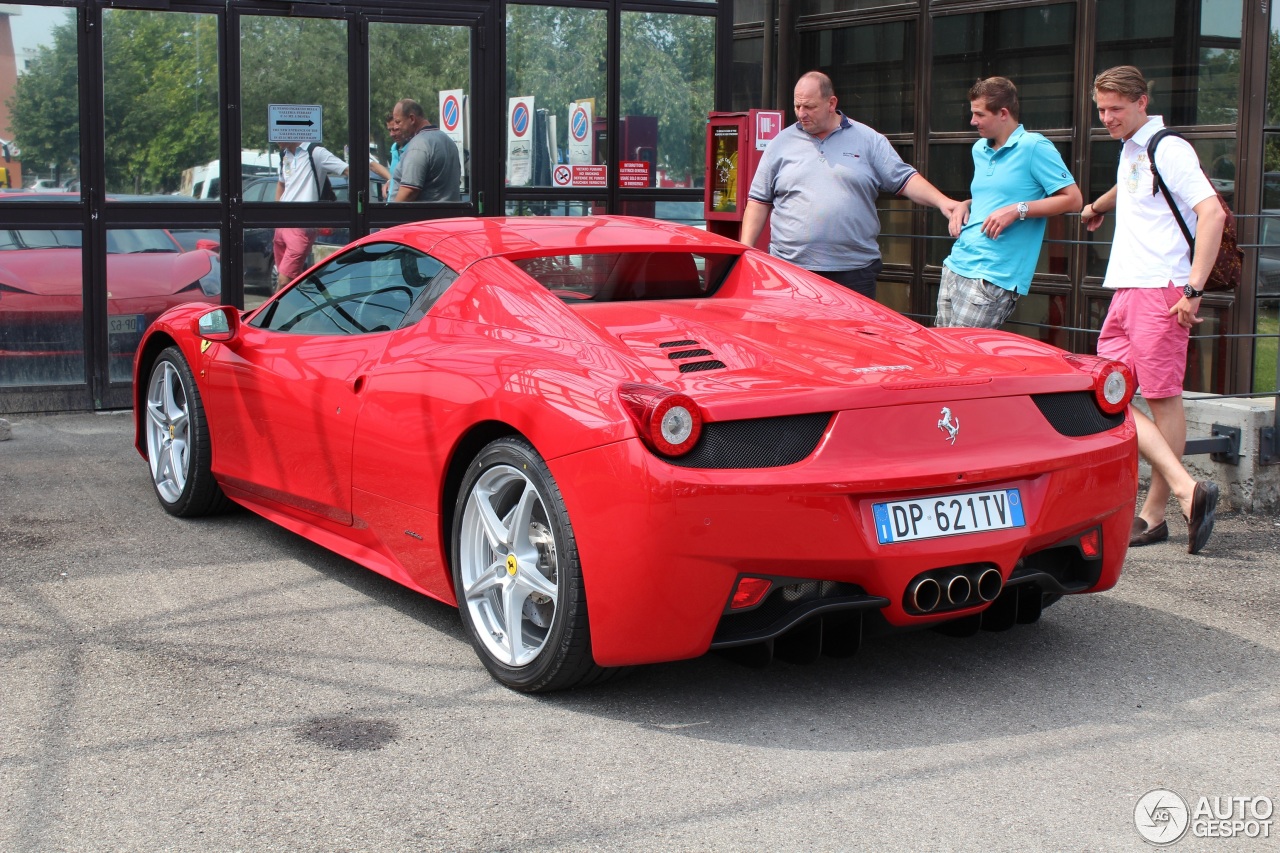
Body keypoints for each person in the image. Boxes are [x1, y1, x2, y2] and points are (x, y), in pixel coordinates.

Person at [1080, 65, 1225, 555]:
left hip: (1161, 291)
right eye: (1101, 109)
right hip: (1128, 288)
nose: (1106, 118)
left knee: (1163, 399)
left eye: (1115, 109)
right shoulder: (1134, 149)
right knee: (1109, 393)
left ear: (1142, 102)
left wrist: (1193, 289)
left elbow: (1213, 212)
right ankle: (1188, 492)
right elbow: (1136, 185)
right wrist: (1098, 204)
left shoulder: (1170, 147)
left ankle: (1159, 510)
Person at [740, 70, 958, 299]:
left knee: (851, 335)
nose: (802, 114)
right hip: (791, 269)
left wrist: (943, 202)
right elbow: (758, 201)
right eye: (797, 107)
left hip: (854, 272)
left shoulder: (868, 139)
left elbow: (904, 179)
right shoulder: (780, 144)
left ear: (831, 102)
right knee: (793, 335)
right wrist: (744, 251)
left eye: (810, 107)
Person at [937, 77, 1082, 328]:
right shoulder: (979, 149)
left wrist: (1019, 210)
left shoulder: (1034, 146)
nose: (972, 121)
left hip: (992, 275)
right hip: (956, 264)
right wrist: (965, 204)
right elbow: (996, 195)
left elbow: (1073, 200)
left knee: (966, 362)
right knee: (942, 358)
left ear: (1003, 113)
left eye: (979, 114)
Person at [273, 140, 348, 291]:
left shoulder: (315, 152)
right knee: (290, 284)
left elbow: (347, 170)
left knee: (284, 282)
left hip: (302, 225)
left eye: (278, 131)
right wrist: (277, 213)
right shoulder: (285, 154)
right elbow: (282, 184)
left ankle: (274, 314)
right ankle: (298, 313)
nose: (274, 138)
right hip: (282, 225)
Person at [389, 98, 461, 202]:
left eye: (398, 122)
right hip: (448, 215)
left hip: (423, 217)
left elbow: (409, 191)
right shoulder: (448, 141)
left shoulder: (418, 145)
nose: (395, 127)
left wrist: (391, 214)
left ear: (412, 119)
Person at [369, 112, 404, 200]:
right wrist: (390, 181)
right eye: (389, 130)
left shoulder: (414, 149)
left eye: (396, 129)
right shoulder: (394, 147)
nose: (392, 134)